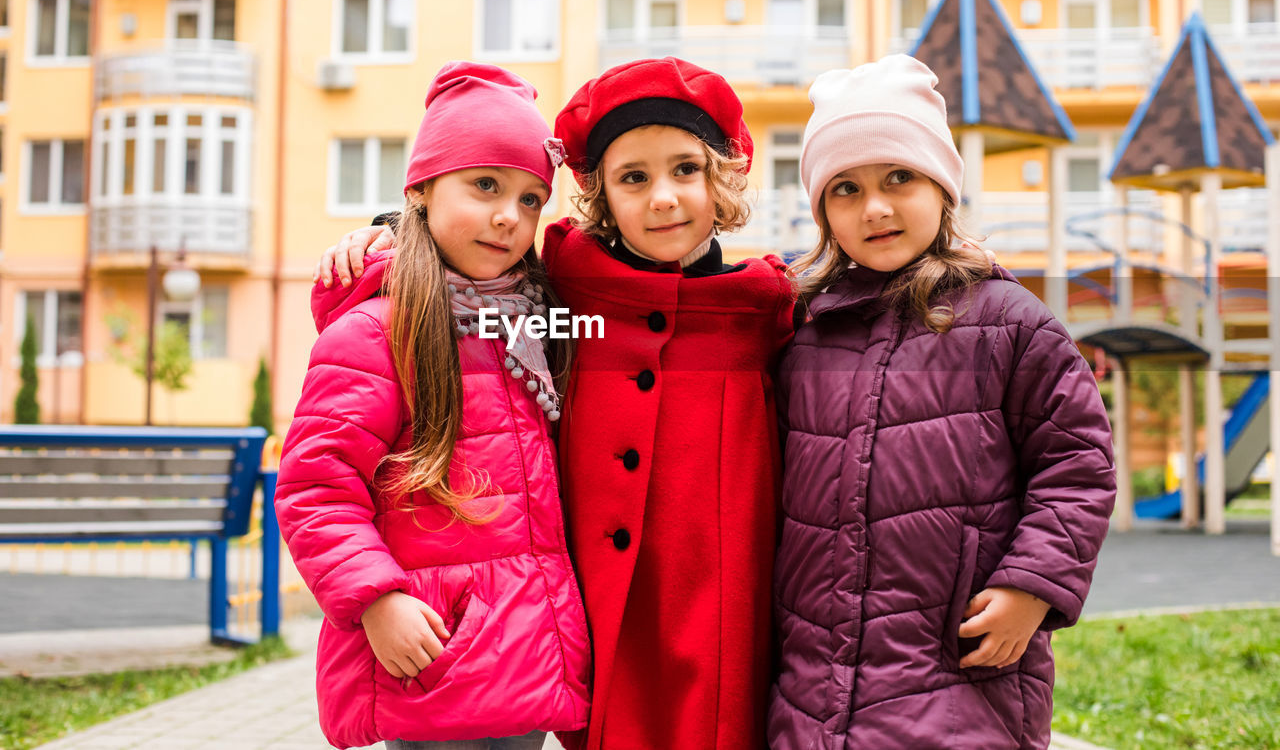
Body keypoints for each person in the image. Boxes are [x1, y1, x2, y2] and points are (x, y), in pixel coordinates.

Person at [318, 58, 795, 750]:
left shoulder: (760, 312)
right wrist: (391, 237)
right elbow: (464, 314)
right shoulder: (570, 305)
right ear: (599, 194)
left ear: (721, 179)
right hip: (572, 626)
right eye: (634, 177)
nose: (663, 197)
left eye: (686, 170)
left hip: (719, 622)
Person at [767, 55, 1116, 750]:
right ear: (822, 209)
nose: (876, 206)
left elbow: (1078, 464)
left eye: (900, 176)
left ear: (942, 186)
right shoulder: (801, 335)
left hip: (961, 665)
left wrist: (1033, 585)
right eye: (845, 187)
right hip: (814, 676)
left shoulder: (1012, 323)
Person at [277, 62, 590, 750]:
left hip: (529, 653)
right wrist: (375, 599)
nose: (510, 215)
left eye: (532, 198)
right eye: (485, 185)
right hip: (431, 646)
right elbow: (315, 484)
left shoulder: (537, 323)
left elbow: (617, 332)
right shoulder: (376, 333)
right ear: (419, 189)